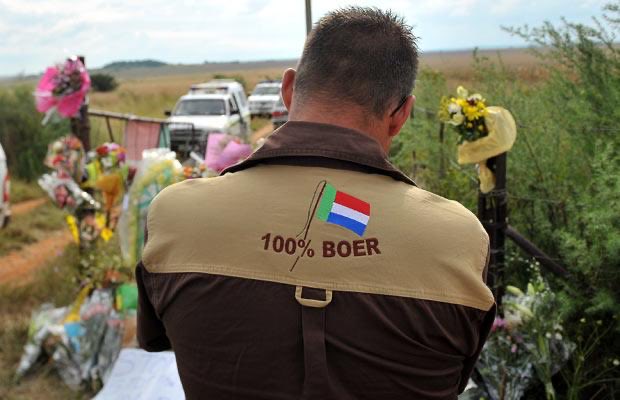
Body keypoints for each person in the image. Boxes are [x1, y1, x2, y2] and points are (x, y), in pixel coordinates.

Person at [137, 6, 495, 400]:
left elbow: (159, 340)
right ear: (401, 115)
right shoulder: (458, 239)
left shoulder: (175, 216)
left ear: (288, 90)